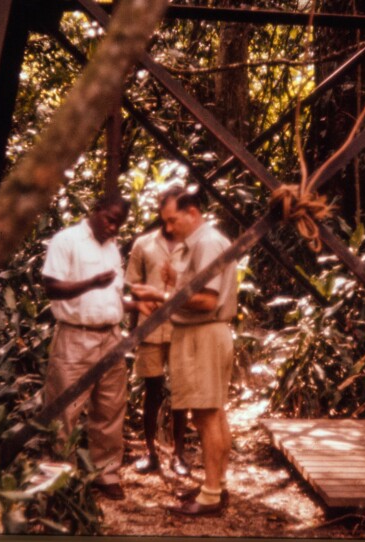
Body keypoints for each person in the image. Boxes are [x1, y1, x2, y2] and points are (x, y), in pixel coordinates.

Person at [132, 186, 238, 515]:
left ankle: (209, 495)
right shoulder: (204, 243)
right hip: (206, 332)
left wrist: (162, 295)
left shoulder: (206, 242)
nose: (169, 228)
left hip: (203, 334)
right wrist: (177, 282)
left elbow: (206, 300)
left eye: (173, 220)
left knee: (206, 415)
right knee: (213, 412)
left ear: (192, 212)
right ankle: (215, 485)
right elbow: (201, 290)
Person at [40, 194, 133, 501]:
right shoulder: (67, 241)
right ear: (96, 210)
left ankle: (106, 473)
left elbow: (114, 295)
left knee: (109, 406)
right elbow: (51, 286)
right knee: (64, 409)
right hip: (75, 337)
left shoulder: (111, 248)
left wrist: (135, 303)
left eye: (118, 224)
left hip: (110, 336)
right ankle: (58, 477)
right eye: (109, 219)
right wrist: (91, 283)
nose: (112, 227)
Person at [125, 217, 191, 477]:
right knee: (152, 390)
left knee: (181, 392)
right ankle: (150, 451)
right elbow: (133, 286)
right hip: (150, 326)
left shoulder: (192, 246)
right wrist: (133, 329)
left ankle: (178, 454)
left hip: (181, 328)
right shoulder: (144, 244)